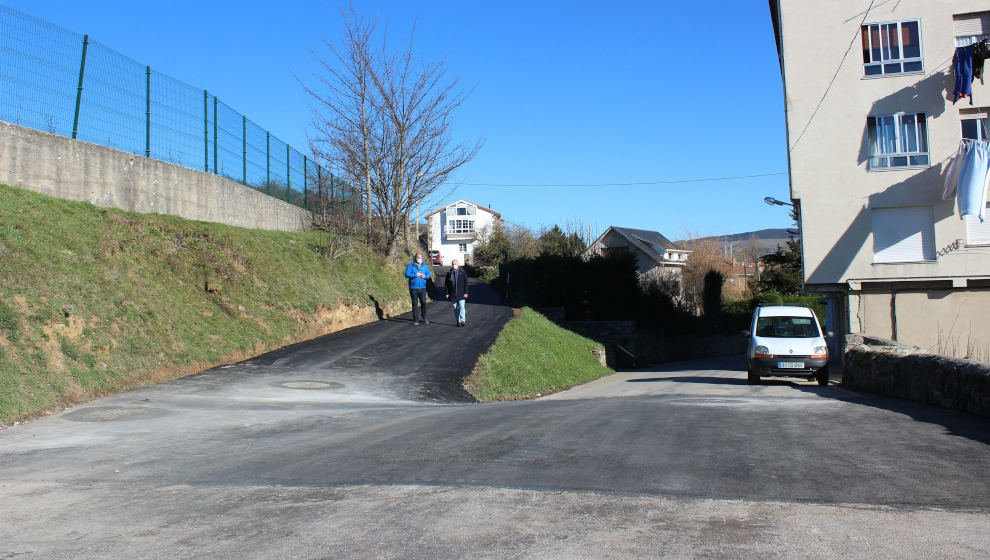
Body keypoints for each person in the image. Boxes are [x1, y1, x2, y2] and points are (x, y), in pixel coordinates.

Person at [404, 253, 431, 325]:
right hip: (413, 288)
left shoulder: (425, 266)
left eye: (420, 257)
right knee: (415, 304)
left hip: (422, 287)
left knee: (424, 302)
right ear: (415, 258)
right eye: (418, 257)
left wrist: (424, 276)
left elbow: (429, 275)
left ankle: (424, 316)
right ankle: (416, 319)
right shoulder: (410, 265)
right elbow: (406, 274)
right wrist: (415, 275)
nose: (419, 259)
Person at [445, 259, 469, 326]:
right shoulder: (449, 274)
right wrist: (447, 293)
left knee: (462, 307)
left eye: (455, 264)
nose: (454, 265)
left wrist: (466, 292)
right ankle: (458, 321)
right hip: (452, 294)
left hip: (461, 293)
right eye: (453, 264)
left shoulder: (462, 272)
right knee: (456, 308)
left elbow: (466, 283)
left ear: (458, 264)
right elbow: (446, 284)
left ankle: (463, 320)